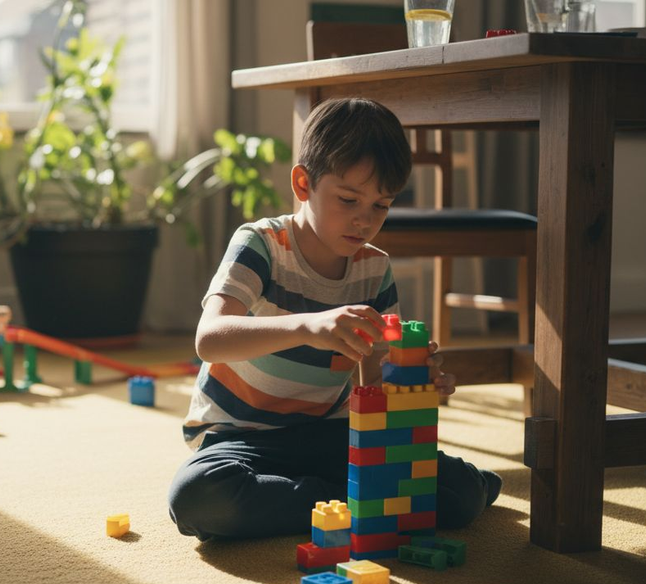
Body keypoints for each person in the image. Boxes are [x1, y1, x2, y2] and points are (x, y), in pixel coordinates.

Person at [167, 97, 502, 541]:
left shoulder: (374, 269)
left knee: (461, 495)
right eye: (348, 199)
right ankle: (355, 500)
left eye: (381, 206)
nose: (364, 220)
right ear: (303, 183)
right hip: (241, 437)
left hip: (334, 434)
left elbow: (374, 380)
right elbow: (210, 338)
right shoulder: (260, 244)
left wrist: (413, 383)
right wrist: (308, 326)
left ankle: (344, 500)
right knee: (198, 497)